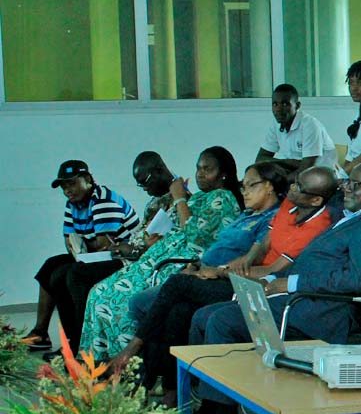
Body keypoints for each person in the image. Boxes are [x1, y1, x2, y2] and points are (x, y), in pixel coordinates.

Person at [187, 162, 361, 414]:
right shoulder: (352, 217)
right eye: (347, 182)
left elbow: (353, 279)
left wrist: (291, 284)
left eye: (356, 184)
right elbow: (312, 264)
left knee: (222, 321)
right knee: (203, 316)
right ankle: (210, 408)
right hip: (299, 299)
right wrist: (271, 279)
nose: (347, 188)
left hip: (319, 312)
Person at [108, 162, 321, 400]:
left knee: (177, 285)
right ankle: (169, 388)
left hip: (248, 284)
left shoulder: (289, 219)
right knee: (178, 310)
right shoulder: (264, 214)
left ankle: (133, 353)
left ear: (270, 187)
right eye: (243, 186)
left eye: (251, 185)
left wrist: (219, 272)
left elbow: (262, 266)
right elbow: (247, 252)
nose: (244, 192)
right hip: (221, 272)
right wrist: (201, 267)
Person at [78, 147, 244, 360]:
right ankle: (96, 361)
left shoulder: (223, 198)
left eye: (207, 169)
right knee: (97, 292)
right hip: (155, 257)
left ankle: (128, 364)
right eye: (198, 168)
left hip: (178, 264)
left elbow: (194, 234)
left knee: (113, 301)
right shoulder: (201, 197)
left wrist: (179, 198)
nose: (200, 174)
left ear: (223, 174)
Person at [24, 161, 138, 352]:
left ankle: (78, 344)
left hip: (123, 260)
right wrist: (82, 247)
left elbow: (103, 247)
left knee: (71, 274)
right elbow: (70, 242)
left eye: (72, 183)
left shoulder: (104, 201)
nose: (68, 190)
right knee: (50, 266)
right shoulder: (72, 204)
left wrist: (82, 246)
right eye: (64, 186)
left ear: (88, 180)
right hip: (95, 256)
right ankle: (41, 333)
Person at [257, 83, 340, 171]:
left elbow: (307, 167)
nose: (278, 109)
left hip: (320, 173)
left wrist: (279, 164)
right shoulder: (276, 125)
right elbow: (260, 159)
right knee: (254, 171)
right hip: (294, 169)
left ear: (297, 106)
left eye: (285, 104)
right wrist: (287, 162)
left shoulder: (310, 125)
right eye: (275, 104)